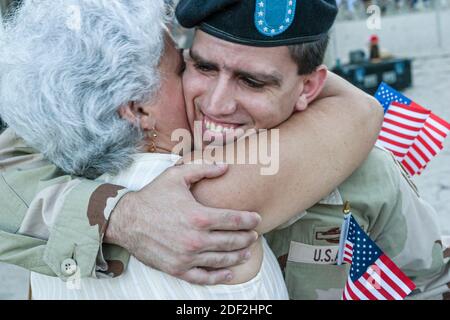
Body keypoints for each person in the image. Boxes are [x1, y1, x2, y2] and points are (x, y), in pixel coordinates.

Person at [0, 0, 383, 296]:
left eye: (252, 80)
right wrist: (124, 216)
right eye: (193, 67)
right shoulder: (202, 201)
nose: (216, 105)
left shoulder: (48, 236)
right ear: (136, 108)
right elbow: (360, 110)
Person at [176, 0, 450, 300]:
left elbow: (429, 283)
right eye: (204, 67)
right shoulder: (147, 142)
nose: (215, 105)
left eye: (252, 82)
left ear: (308, 88)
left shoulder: (365, 173)